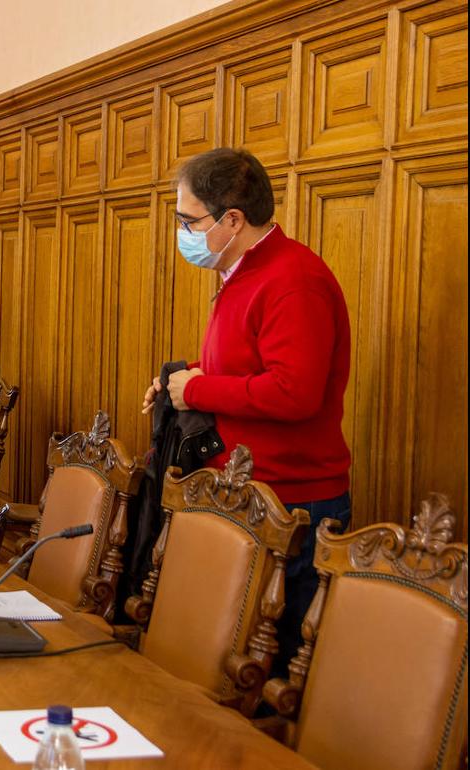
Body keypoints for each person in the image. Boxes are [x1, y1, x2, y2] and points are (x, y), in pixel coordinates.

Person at [142, 147, 352, 672]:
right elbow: (245, 360)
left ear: (232, 219)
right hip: (243, 491)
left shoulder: (292, 279)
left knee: (265, 671)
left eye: (189, 220)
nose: (183, 233)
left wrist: (199, 391)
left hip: (291, 502)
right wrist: (181, 379)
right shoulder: (245, 270)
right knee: (218, 662)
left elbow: (293, 392)